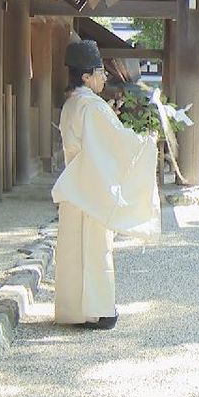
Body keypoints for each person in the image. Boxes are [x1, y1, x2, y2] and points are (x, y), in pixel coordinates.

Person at [51, 39, 159, 330]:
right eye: (100, 72)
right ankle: (98, 311)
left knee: (75, 250)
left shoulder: (73, 103)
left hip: (77, 184)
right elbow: (116, 142)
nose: (104, 77)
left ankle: (75, 310)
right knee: (94, 249)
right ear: (86, 76)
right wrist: (145, 143)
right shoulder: (91, 106)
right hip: (90, 188)